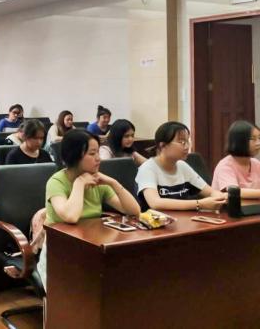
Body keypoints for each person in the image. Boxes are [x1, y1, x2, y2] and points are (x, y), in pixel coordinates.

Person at [37, 129, 140, 287]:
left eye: (98, 152)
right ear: (74, 156)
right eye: (92, 153)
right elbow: (70, 217)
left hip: (92, 246)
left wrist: (113, 183)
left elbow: (134, 211)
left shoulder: (97, 180)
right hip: (60, 251)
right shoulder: (56, 182)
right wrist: (79, 183)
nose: (98, 158)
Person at [136, 121, 227, 211]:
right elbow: (155, 203)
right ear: (162, 145)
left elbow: (210, 192)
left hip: (184, 218)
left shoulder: (182, 166)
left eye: (188, 141)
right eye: (182, 142)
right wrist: (199, 204)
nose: (187, 147)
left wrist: (221, 197)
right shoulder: (148, 168)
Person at [212, 120, 260, 198]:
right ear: (239, 141)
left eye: (259, 138)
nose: (258, 143)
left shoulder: (256, 164)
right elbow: (235, 192)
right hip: (229, 206)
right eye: (253, 139)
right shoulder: (225, 166)